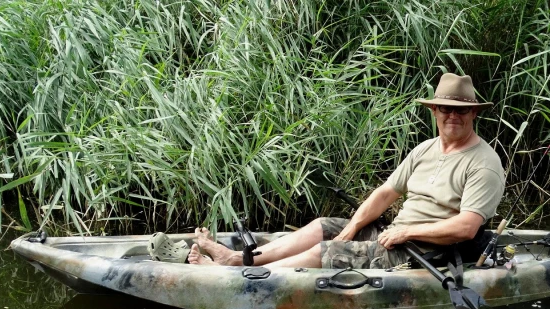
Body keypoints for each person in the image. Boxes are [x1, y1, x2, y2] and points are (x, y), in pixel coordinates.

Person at [188, 73, 505, 269]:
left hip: (426, 251)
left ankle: (245, 274)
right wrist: (354, 227)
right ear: (434, 110)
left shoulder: (484, 163)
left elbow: (466, 227)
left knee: (325, 251)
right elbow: (385, 193)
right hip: (395, 235)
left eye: (462, 110)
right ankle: (238, 259)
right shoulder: (425, 148)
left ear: (474, 112)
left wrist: (406, 232)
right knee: (324, 227)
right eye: (446, 108)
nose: (453, 116)